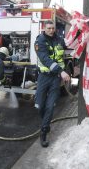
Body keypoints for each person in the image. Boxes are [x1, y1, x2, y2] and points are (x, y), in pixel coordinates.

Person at [34, 20, 70, 148]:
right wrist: (61, 71)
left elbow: (69, 47)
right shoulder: (40, 41)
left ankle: (44, 132)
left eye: (53, 28)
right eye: (48, 28)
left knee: (50, 106)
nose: (51, 30)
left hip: (55, 79)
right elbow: (44, 59)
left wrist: (80, 38)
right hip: (44, 77)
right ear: (44, 28)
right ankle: (45, 123)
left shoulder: (59, 39)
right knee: (39, 105)